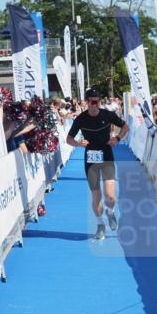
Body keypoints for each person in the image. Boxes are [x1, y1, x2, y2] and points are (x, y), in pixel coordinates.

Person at [67, 87, 128, 240]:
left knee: (110, 197)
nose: (95, 104)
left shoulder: (107, 114)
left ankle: (111, 212)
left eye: (98, 101)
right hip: (91, 160)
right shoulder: (80, 119)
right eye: (92, 102)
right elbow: (68, 139)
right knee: (96, 196)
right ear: (87, 102)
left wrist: (118, 138)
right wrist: (78, 143)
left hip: (107, 156)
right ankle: (100, 225)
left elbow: (125, 126)